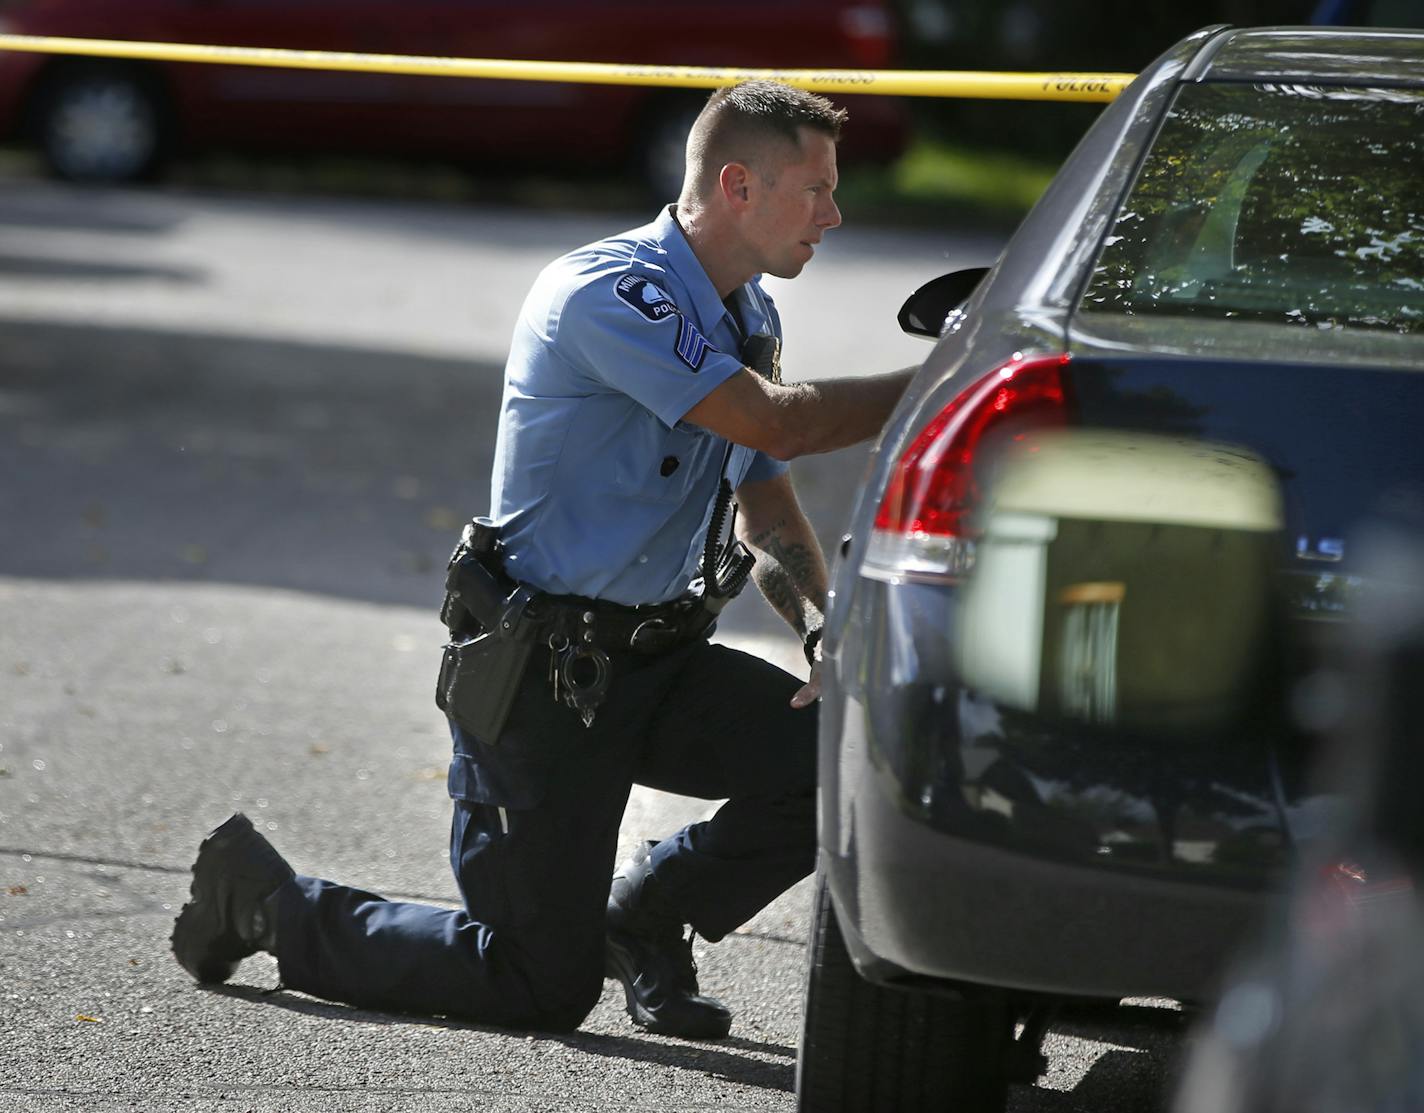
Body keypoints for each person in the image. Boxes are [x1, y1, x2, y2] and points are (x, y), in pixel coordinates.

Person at [171, 80, 914, 1039]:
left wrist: (820, 620)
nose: (834, 213)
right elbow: (778, 422)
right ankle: (266, 901)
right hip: (546, 685)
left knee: (837, 756)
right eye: (815, 189)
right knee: (536, 984)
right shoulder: (611, 295)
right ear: (738, 185)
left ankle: (645, 917)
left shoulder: (747, 313)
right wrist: (957, 371)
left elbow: (761, 487)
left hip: (657, 662)